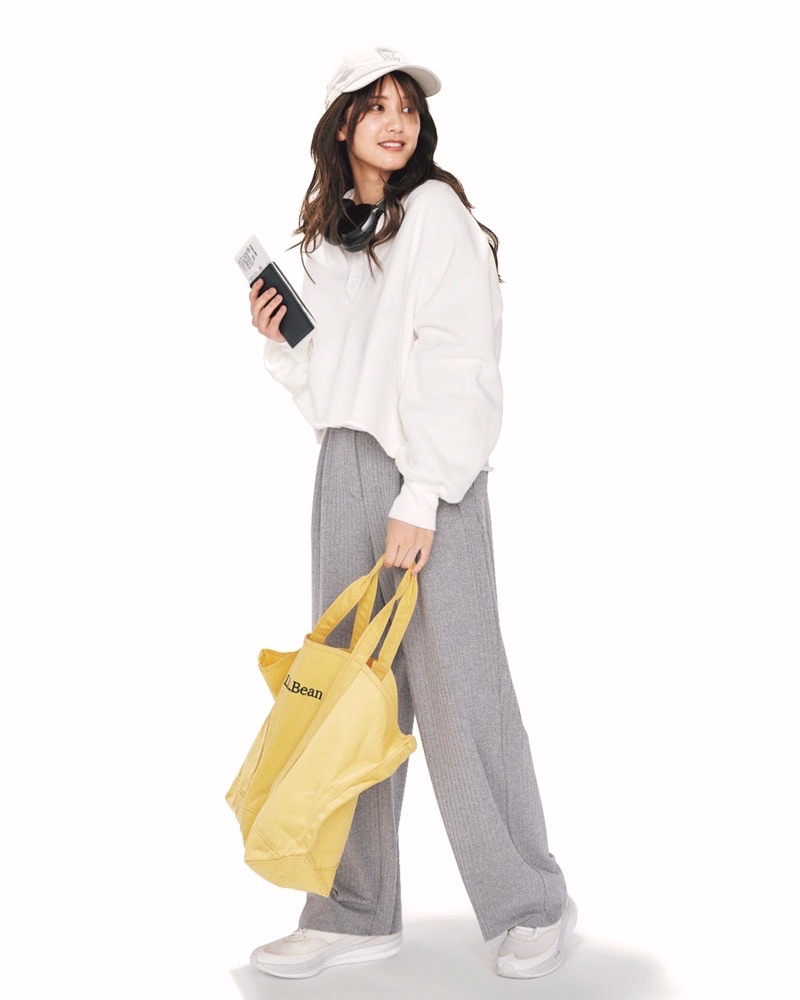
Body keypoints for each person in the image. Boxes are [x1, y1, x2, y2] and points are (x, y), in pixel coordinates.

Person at [246, 45, 576, 981]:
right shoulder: (326, 242)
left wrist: (422, 494)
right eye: (376, 107)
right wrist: (283, 345)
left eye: (408, 108)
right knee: (350, 690)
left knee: (462, 688)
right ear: (342, 125)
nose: (397, 122)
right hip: (343, 464)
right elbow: (331, 387)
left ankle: (528, 900)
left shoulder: (436, 215)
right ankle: (353, 910)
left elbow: (461, 360)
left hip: (430, 474)